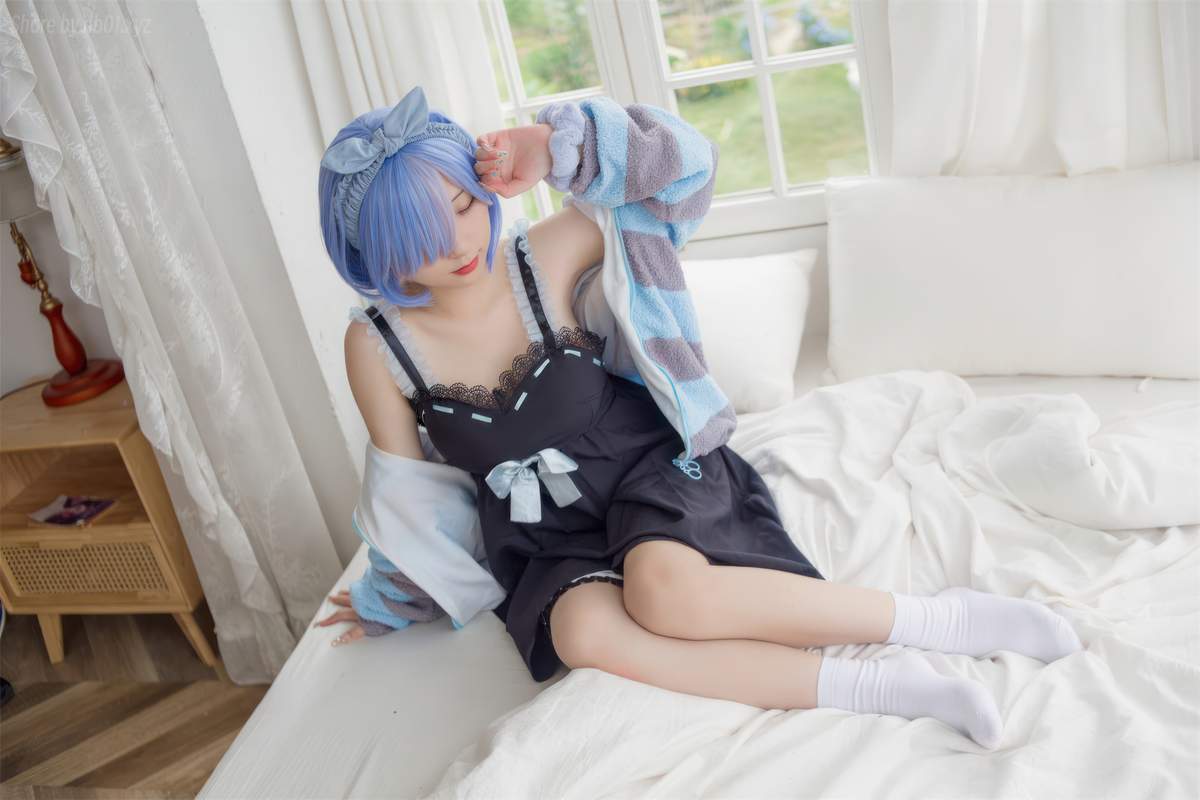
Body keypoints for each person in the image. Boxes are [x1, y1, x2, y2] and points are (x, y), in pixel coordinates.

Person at [314, 86, 1083, 749]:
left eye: (461, 205)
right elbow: (408, 491)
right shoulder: (376, 345)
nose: (458, 242)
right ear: (373, 253)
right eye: (420, 238)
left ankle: (940, 623)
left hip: (647, 467)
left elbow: (688, 171)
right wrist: (395, 593)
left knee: (665, 594)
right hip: (542, 533)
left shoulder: (546, 252)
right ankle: (883, 688)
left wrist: (558, 148)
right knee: (581, 634)